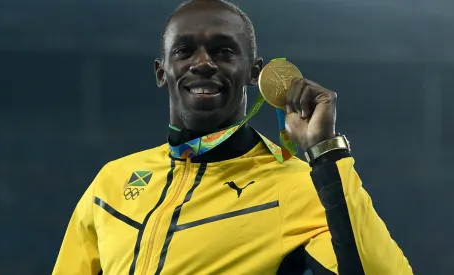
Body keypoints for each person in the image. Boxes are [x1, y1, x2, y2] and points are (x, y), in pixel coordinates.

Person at [52, 0, 413, 274]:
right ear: (162, 72)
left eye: (224, 51)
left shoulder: (296, 186)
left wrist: (325, 152)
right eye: (184, 50)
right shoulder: (111, 183)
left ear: (254, 72)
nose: (204, 62)